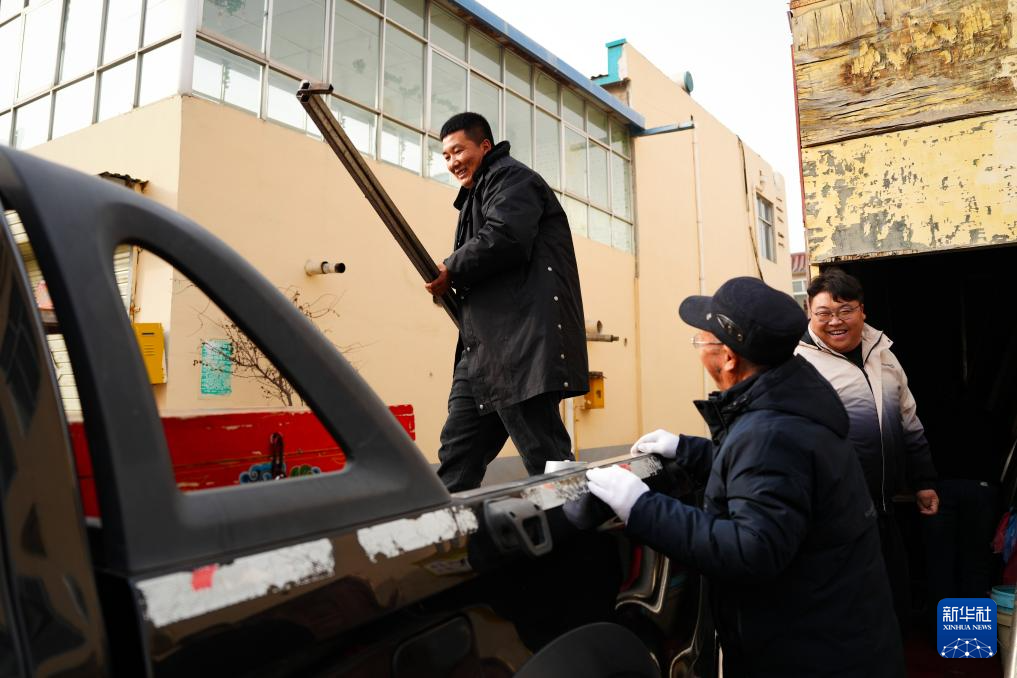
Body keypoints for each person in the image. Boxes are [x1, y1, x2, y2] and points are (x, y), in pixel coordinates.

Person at [585, 277, 903, 677]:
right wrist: (688, 450)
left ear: (729, 358)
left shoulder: (772, 433)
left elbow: (751, 550)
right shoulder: (792, 402)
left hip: (811, 656)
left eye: (702, 341)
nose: (699, 350)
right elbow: (771, 478)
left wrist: (642, 507)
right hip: (840, 635)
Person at [425, 112, 588, 492]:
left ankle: (579, 522)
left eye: (459, 151)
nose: (452, 162)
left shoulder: (511, 178)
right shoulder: (476, 195)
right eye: (446, 156)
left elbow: (507, 235)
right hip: (483, 350)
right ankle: (446, 529)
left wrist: (452, 267)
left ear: (485, 146)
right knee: (457, 455)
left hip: (517, 346)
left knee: (545, 455)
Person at [795, 268, 938, 629]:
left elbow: (908, 420)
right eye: (824, 313)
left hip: (886, 508)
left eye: (845, 310)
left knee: (894, 601)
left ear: (862, 311)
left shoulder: (883, 353)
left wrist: (923, 481)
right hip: (835, 516)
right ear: (809, 313)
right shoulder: (798, 365)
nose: (835, 321)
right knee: (851, 610)